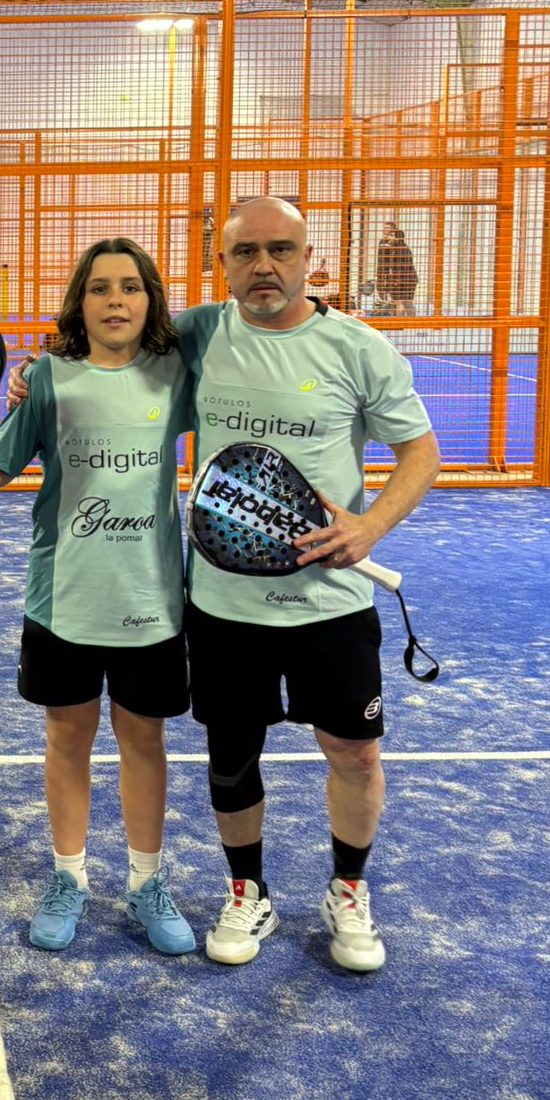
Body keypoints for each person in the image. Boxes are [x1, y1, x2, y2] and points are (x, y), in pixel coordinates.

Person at [175, 197, 440, 973]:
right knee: (231, 754)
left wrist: (369, 526)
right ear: (224, 263)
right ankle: (246, 891)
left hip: (332, 602)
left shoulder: (357, 347)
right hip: (225, 601)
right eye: (246, 252)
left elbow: (421, 453)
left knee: (354, 751)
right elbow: (105, 353)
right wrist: (35, 376)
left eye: (281, 250)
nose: (264, 266)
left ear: (308, 258)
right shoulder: (198, 334)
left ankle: (347, 889)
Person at [0, 239, 196, 957]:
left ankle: (146, 882)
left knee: (144, 742)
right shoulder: (49, 377)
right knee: (67, 740)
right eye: (99, 288)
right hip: (64, 599)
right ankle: (68, 876)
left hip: (151, 601)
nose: (115, 301)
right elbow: (0, 465)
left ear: (150, 300)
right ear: (80, 302)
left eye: (130, 287)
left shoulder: (176, 373)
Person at [374, 222, 419, 317]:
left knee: (399, 302)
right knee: (407, 302)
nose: (388, 238)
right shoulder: (395, 247)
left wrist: (396, 280)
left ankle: (399, 322)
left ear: (397, 238)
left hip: (404, 280)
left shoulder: (402, 250)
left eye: (391, 235)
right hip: (406, 279)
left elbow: (403, 267)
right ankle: (412, 320)